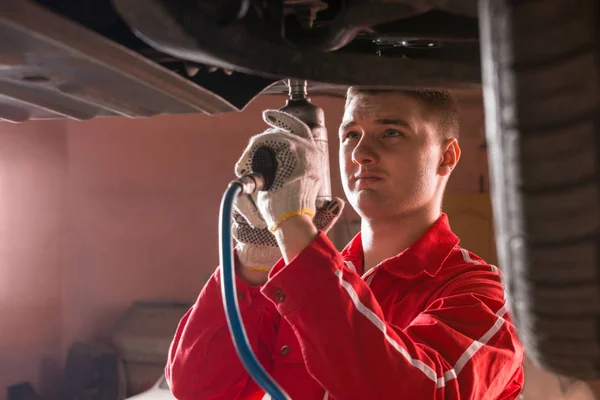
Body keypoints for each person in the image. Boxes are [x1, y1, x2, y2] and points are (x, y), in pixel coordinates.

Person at [165, 88, 525, 399]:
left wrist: (295, 229)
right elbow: (199, 390)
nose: (360, 153)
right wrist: (254, 262)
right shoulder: (303, 276)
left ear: (446, 157)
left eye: (392, 133)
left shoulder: (487, 296)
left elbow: (424, 391)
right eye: (351, 134)